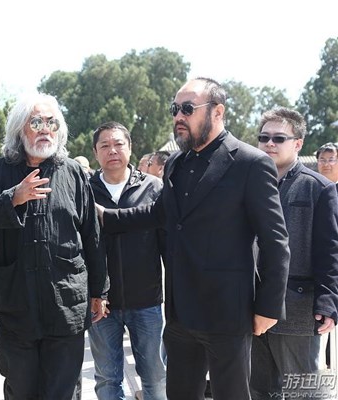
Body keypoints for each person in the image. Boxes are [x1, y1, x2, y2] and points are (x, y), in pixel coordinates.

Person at [98, 77, 290, 400]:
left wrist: (268, 307)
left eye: (188, 108)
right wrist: (105, 216)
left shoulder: (250, 163)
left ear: (217, 112)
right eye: (175, 109)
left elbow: (275, 241)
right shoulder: (176, 162)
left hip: (228, 314)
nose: (178, 116)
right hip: (180, 313)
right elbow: (158, 214)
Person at [0, 92, 109, 400]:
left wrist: (99, 291)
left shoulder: (72, 172)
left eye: (52, 123)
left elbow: (92, 235)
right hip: (16, 305)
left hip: (66, 304)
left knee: (63, 391)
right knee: (21, 389)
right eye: (36, 122)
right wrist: (13, 197)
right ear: (20, 129)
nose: (45, 129)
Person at [250, 107, 338, 399]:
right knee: (259, 390)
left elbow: (330, 250)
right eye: (264, 137)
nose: (269, 144)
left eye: (278, 138)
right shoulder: (248, 185)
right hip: (251, 305)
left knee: (304, 390)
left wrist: (328, 301)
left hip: (297, 305)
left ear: (298, 143)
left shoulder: (318, 188)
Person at [88, 121, 166, 400]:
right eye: (105, 145)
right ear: (95, 152)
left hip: (147, 301)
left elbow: (167, 242)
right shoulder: (85, 190)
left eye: (119, 144)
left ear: (130, 148)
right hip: (101, 304)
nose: (112, 150)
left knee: (155, 377)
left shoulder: (153, 187)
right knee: (107, 379)